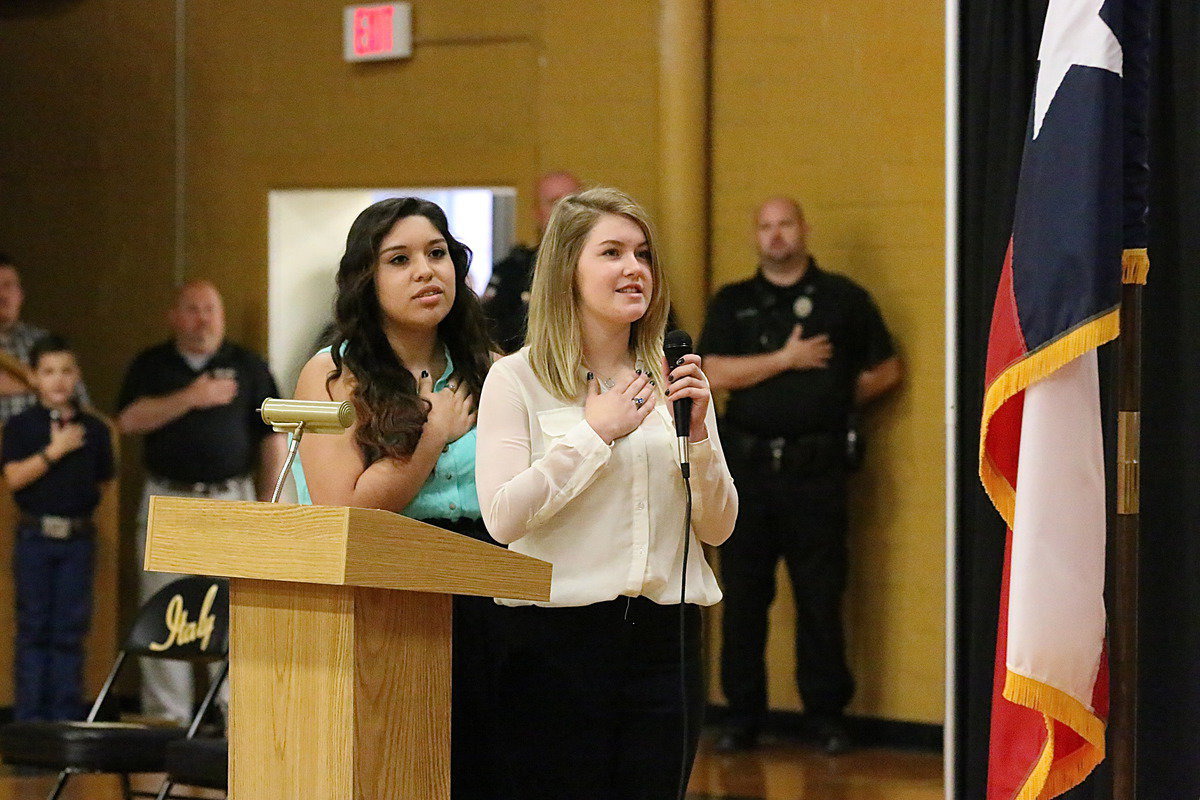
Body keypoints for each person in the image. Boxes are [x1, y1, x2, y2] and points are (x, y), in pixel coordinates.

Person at [475, 187, 738, 800]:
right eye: (612, 252)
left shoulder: (676, 381)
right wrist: (594, 434)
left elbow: (720, 528)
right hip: (557, 642)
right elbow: (502, 517)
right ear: (569, 269)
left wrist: (698, 438)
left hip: (665, 640)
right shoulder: (516, 379)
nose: (634, 269)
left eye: (642, 254)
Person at [292, 197, 496, 800]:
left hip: (486, 584)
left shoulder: (492, 367)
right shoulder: (331, 374)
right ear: (366, 278)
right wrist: (430, 435)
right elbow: (344, 510)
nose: (425, 272)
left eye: (437, 254)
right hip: (383, 591)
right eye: (399, 260)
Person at [699, 197, 903, 755]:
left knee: (820, 597)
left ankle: (825, 718)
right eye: (765, 226)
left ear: (803, 229)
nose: (776, 235)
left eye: (785, 224)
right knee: (742, 599)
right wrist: (785, 362)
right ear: (756, 236)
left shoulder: (844, 300)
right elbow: (712, 371)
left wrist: (834, 399)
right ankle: (740, 716)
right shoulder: (735, 302)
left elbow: (887, 368)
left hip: (818, 473)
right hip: (748, 471)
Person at [116, 280, 287, 723]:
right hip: (168, 501)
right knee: (164, 608)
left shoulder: (248, 366)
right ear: (173, 317)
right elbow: (129, 420)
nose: (203, 318)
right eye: (192, 309)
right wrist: (191, 397)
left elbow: (274, 441)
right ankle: (166, 718)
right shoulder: (152, 365)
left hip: (232, 500)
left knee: (235, 610)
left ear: (222, 316)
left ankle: (236, 718)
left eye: (211, 308)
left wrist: (268, 508)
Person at [1, 335, 115, 721]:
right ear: (34, 378)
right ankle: (30, 728)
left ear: (77, 374)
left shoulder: (95, 429)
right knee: (33, 631)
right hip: (34, 537)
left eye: (66, 370)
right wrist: (56, 451)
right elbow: (14, 478)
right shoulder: (21, 426)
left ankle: (65, 726)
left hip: (77, 539)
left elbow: (102, 481)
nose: (58, 380)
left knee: (70, 633)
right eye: (48, 372)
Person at [482, 171, 582, 352]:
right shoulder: (513, 271)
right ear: (537, 213)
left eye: (573, 202)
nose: (566, 210)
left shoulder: (605, 264)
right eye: (554, 202)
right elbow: (491, 332)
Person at [0, 255, 90, 422]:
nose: (1, 294)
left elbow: (82, 411)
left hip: (48, 445)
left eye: (8, 286)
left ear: (20, 295)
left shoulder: (47, 344)